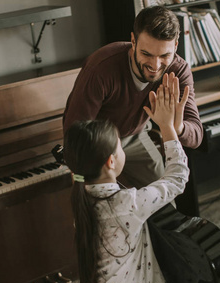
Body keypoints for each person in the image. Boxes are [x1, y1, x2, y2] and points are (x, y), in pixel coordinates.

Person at [63, 83, 189, 283]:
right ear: (111, 161)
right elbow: (177, 178)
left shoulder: (82, 200)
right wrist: (167, 127)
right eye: (120, 147)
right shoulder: (129, 204)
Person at [63, 5, 203, 189]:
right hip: (97, 142)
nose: (155, 65)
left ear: (176, 46)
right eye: (146, 54)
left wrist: (177, 127)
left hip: (136, 134)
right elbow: (75, 132)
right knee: (102, 205)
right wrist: (81, 178)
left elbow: (197, 135)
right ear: (133, 41)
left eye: (164, 55)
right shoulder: (101, 68)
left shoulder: (179, 70)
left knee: (164, 195)